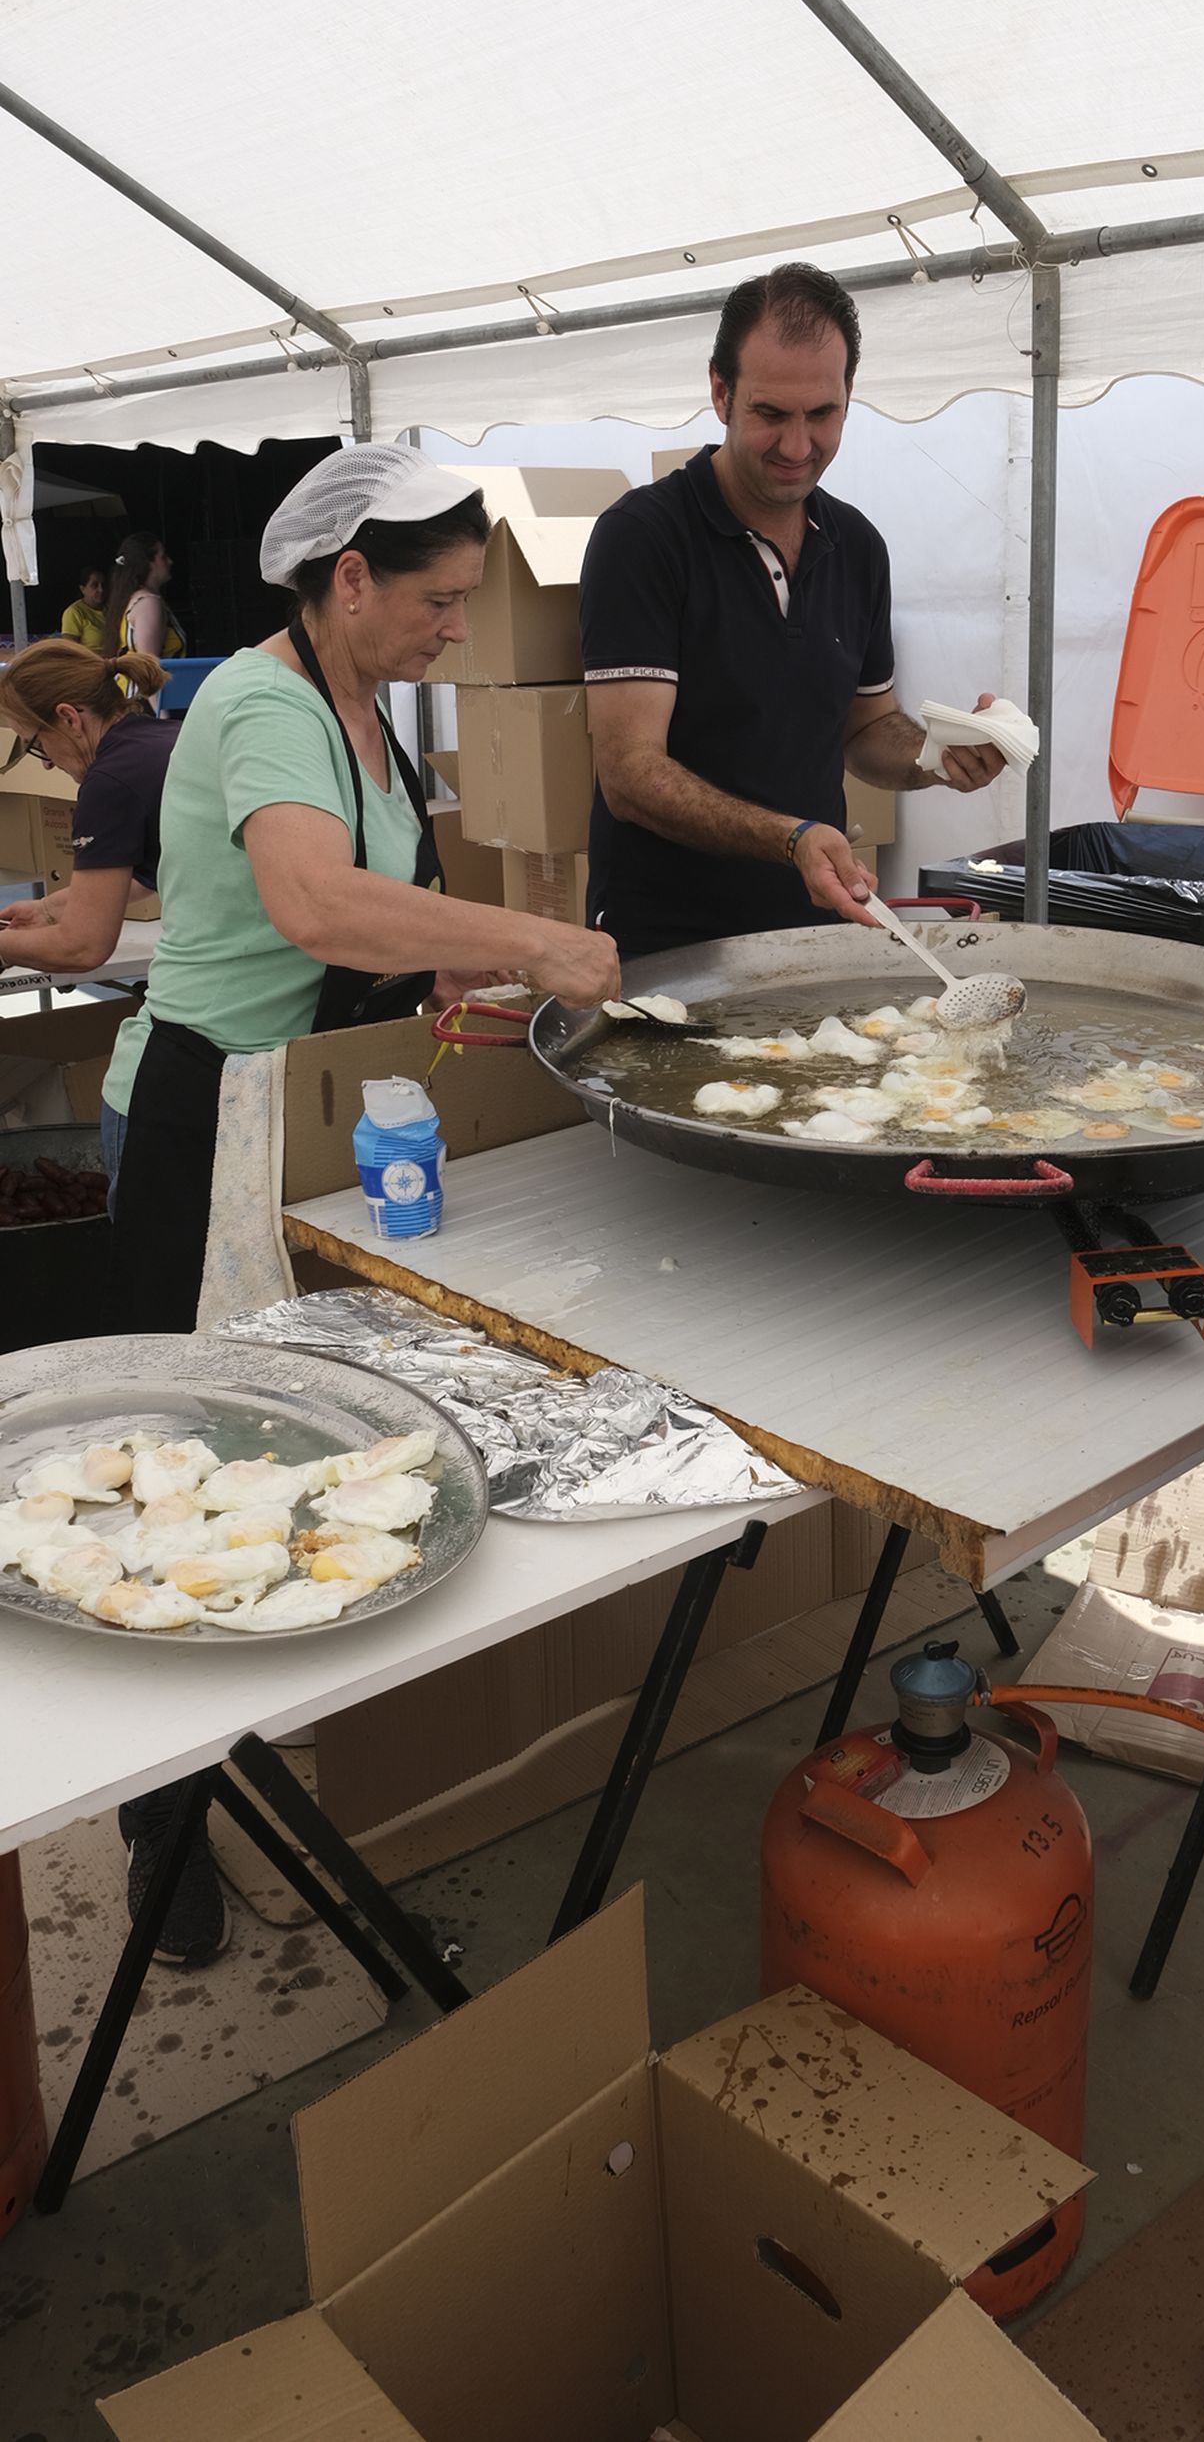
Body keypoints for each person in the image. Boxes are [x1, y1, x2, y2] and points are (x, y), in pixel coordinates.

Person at [102, 445, 618, 1969]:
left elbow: (365, 933)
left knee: (295, 1427)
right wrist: (533, 932)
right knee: (181, 1461)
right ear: (346, 582)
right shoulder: (262, 702)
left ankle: (258, 1701)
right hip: (204, 1114)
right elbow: (311, 904)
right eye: (440, 601)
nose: (458, 630)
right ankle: (158, 1823)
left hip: (305, 1108)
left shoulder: (369, 714)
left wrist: (450, 967)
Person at [579, 261, 1007, 958]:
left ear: (849, 395)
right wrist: (792, 836)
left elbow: (866, 728)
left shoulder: (858, 547)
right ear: (720, 392)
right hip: (668, 950)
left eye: (822, 414)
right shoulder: (644, 538)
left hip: (812, 942)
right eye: (771, 414)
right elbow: (630, 774)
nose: (798, 446)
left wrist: (938, 750)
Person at [0, 642, 176, 1196]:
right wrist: (47, 907)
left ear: (70, 719)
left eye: (36, 746)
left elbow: (84, 949)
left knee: (125, 1112)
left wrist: (4, 949)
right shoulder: (160, 740)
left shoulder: (109, 778)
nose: (47, 763)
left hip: (205, 1015)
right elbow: (141, 877)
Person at [101, 530, 185, 660]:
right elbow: (148, 666)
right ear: (147, 563)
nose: (170, 561)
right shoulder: (148, 604)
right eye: (163, 556)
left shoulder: (131, 598)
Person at [60, 562, 108, 650]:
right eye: (95, 585)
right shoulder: (74, 612)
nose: (101, 590)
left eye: (103, 585)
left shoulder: (111, 609)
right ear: (83, 589)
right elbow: (71, 651)